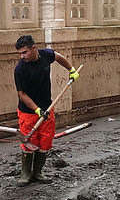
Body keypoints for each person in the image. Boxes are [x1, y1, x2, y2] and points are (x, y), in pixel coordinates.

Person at [13, 35, 79, 185]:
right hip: (28, 112)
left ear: (34, 48)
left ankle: (38, 172)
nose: (22, 56)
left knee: (45, 142)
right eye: (20, 53)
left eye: (24, 52)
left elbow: (58, 56)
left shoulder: (45, 55)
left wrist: (71, 69)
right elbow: (21, 94)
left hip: (47, 107)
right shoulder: (20, 69)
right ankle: (25, 174)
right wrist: (36, 110)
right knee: (29, 142)